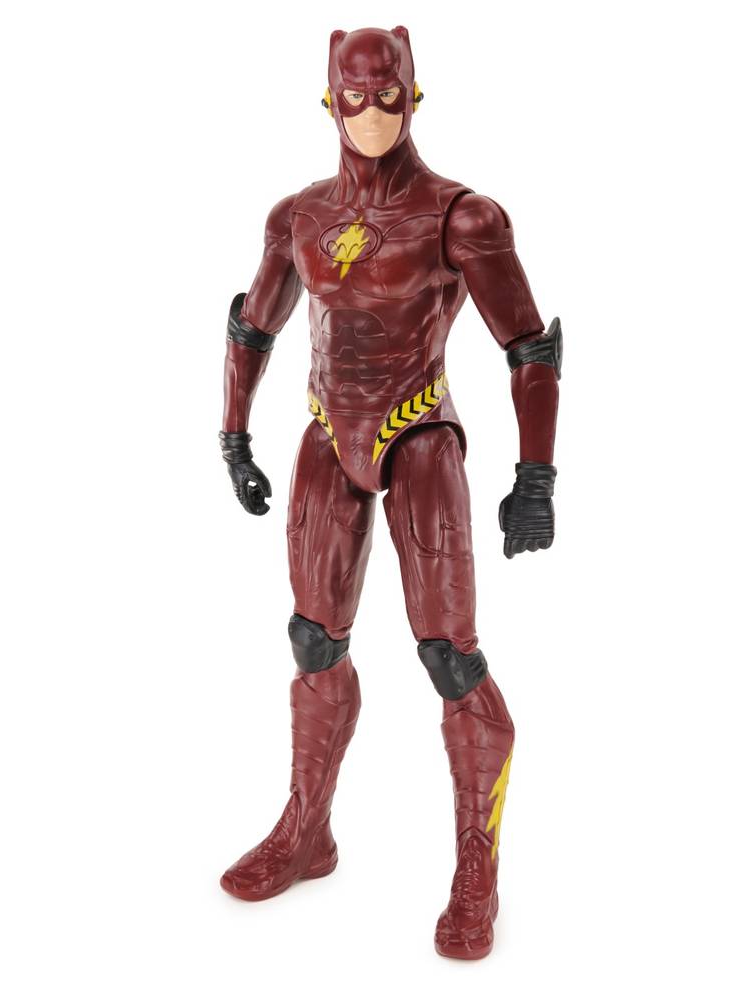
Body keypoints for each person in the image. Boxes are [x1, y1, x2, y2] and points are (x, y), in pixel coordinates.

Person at [218, 25, 561, 960]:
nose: (371, 111)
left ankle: (477, 866)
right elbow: (253, 327)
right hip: (328, 431)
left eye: (388, 94)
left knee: (449, 654)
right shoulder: (299, 217)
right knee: (312, 638)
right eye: (355, 95)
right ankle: (308, 829)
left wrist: (535, 477)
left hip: (419, 433)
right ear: (330, 99)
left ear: (414, 94)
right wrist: (233, 437)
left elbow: (528, 344)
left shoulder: (460, 217)